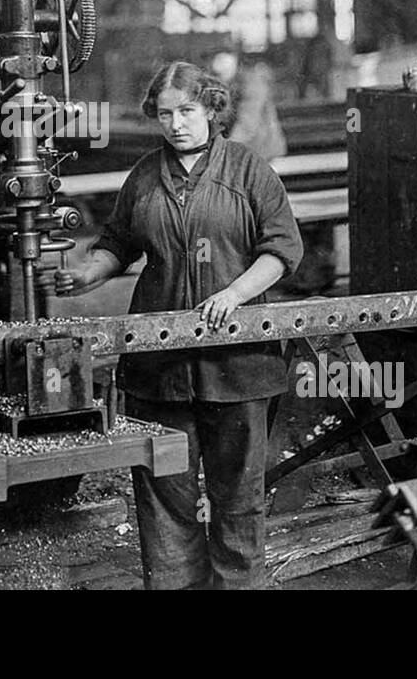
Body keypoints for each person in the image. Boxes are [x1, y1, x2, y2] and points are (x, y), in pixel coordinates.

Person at [54, 60, 303, 589]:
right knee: (166, 498)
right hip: (159, 367)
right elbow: (119, 242)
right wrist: (89, 275)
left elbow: (282, 249)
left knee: (238, 499)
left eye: (187, 110)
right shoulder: (145, 175)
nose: (175, 124)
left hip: (237, 365)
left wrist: (234, 294)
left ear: (212, 108)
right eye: (164, 114)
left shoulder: (248, 171)